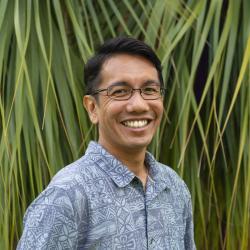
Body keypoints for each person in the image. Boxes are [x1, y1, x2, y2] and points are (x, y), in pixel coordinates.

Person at [17, 37, 196, 249]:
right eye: (120, 91)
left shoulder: (173, 187)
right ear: (92, 108)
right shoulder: (67, 195)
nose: (138, 105)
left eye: (149, 90)